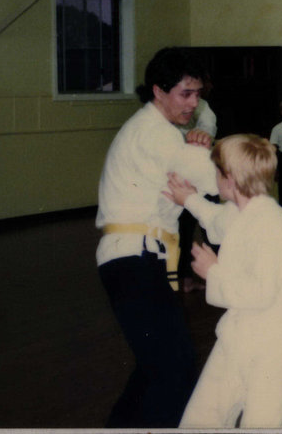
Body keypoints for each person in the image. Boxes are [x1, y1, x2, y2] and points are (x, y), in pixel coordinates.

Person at [95, 47, 218, 428]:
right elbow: (217, 182)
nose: (194, 103)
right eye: (186, 94)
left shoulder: (161, 132)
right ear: (159, 91)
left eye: (198, 94)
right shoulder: (156, 134)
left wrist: (199, 145)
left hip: (138, 257)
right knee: (173, 367)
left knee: (157, 366)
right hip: (134, 258)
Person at [164, 134, 282, 429]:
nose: (214, 178)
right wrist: (188, 198)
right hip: (240, 333)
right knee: (201, 418)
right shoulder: (245, 211)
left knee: (261, 424)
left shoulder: (271, 223)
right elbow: (217, 220)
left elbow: (262, 293)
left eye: (216, 172)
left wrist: (213, 272)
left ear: (229, 179)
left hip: (275, 341)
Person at [177, 95, 218, 291]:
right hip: (185, 180)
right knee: (184, 231)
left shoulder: (203, 106)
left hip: (204, 179)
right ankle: (186, 278)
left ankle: (216, 275)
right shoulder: (167, 115)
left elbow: (208, 132)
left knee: (212, 229)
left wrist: (196, 136)